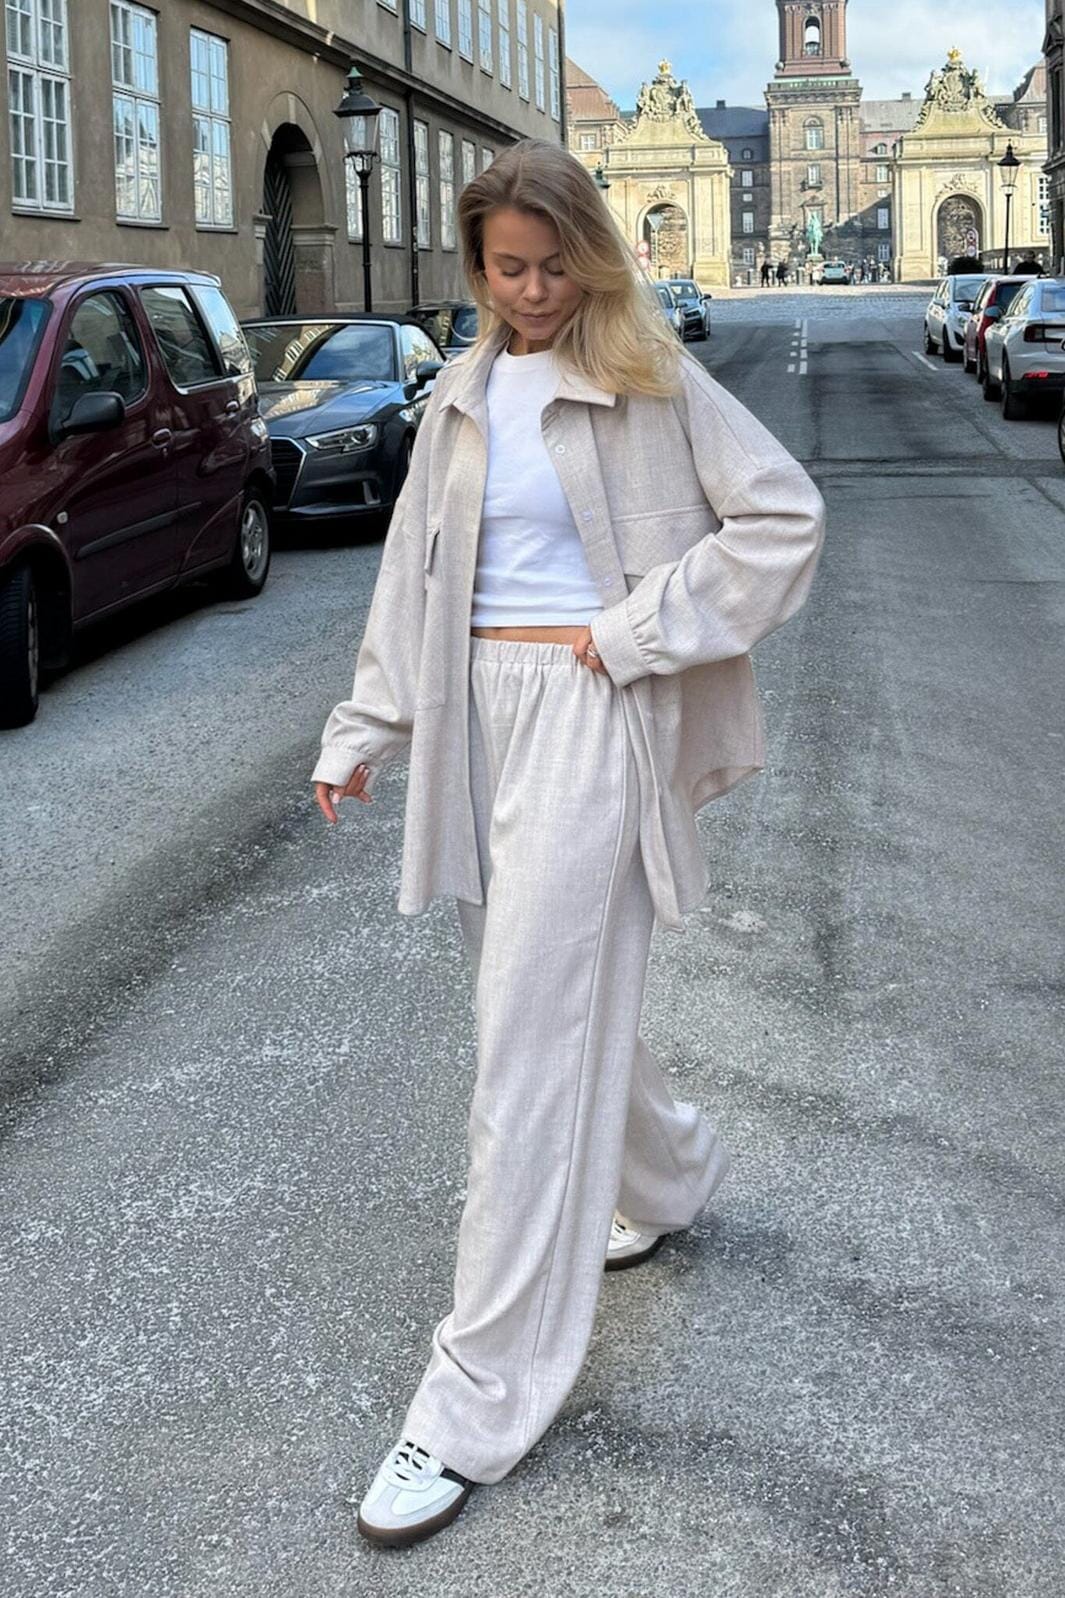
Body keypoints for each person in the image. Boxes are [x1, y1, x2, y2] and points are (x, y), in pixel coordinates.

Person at [311, 137, 825, 1549]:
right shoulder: (463, 392)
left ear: (591, 257)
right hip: (475, 723)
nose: (533, 292)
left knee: (525, 1049)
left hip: (592, 713)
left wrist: (639, 629)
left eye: (553, 266)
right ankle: (668, 1173)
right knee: (541, 1002)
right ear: (477, 267)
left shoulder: (651, 380)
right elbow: (416, 572)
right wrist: (365, 726)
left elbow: (782, 517)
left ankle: (474, 1397)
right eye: (507, 268)